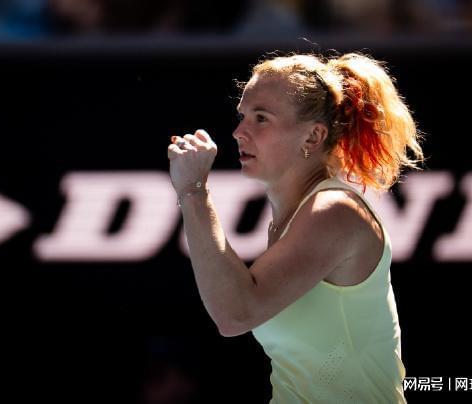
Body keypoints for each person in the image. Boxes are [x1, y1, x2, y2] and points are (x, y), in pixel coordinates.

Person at [167, 51, 423, 403]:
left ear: (313, 137)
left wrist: (194, 191)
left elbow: (235, 314)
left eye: (261, 118)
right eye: (243, 116)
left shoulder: (335, 213)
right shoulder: (291, 220)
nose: (239, 132)